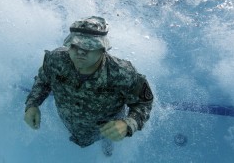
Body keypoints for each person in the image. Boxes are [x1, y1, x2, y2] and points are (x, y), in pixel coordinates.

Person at [24, 16, 154, 156]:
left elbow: (144, 102)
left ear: (103, 49)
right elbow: (43, 80)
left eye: (89, 47)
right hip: (70, 125)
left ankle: (107, 147)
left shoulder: (122, 73)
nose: (80, 52)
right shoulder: (55, 60)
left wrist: (127, 125)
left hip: (107, 130)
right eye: (75, 46)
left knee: (109, 144)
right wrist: (32, 104)